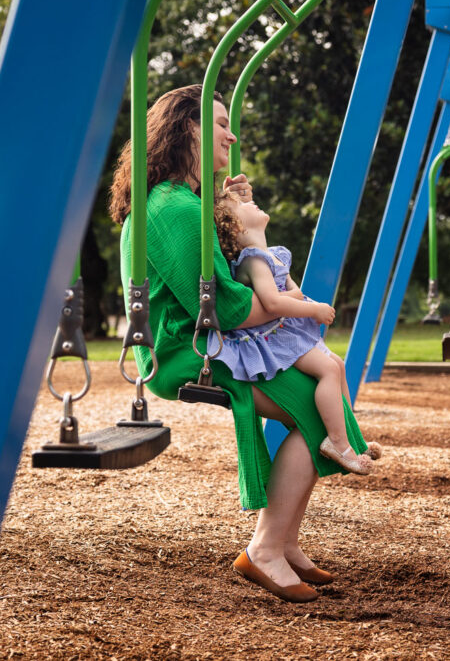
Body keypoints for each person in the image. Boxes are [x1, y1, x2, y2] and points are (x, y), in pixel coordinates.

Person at [109, 84, 371, 604]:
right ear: (188, 129)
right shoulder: (174, 209)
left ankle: (284, 542)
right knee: (317, 412)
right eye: (220, 123)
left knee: (324, 397)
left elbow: (233, 275)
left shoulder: (182, 201)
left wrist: (234, 213)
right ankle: (267, 548)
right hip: (187, 351)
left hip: (208, 341)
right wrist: (286, 308)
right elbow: (226, 307)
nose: (231, 133)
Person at [211, 190, 378, 475]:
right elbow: (274, 302)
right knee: (328, 369)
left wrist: (299, 299)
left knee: (337, 364)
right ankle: (337, 442)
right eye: (242, 204)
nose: (251, 200)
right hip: (272, 337)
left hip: (282, 329)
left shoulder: (271, 255)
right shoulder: (253, 261)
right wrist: (313, 311)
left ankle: (350, 435)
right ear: (238, 226)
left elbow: (294, 292)